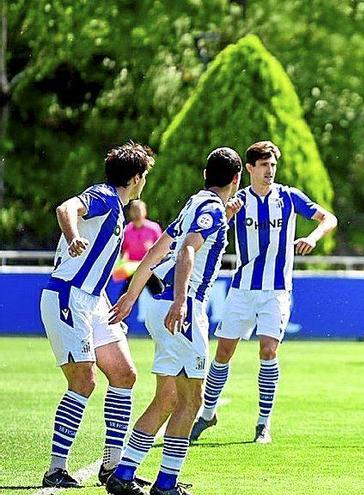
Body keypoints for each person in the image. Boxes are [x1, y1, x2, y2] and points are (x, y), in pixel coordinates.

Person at [104, 147, 243, 495]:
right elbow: (187, 251)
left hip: (156, 302)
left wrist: (132, 295)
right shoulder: (210, 208)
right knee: (191, 401)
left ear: (205, 176)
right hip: (181, 308)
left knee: (167, 398)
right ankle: (166, 485)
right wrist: (181, 302)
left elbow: (157, 250)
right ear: (237, 180)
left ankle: (123, 476)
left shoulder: (197, 203)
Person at [190, 141, 337, 444]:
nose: (270, 171)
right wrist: (227, 217)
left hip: (276, 290)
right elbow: (211, 234)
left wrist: (313, 236)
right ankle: (207, 414)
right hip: (242, 289)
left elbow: (328, 218)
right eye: (264, 165)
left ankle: (263, 423)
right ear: (250, 169)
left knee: (268, 350)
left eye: (273, 165)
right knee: (223, 353)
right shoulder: (238, 201)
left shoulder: (289, 197)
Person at [39, 142, 154, 489]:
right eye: (145, 176)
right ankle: (56, 468)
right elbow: (66, 207)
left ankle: (113, 467)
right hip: (67, 297)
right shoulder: (104, 196)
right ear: (136, 178)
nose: (145, 181)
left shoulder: (117, 210)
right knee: (84, 382)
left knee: (124, 374)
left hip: (93, 300)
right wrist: (72, 236)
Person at [116, 200, 163, 293]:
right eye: (134, 210)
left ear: (144, 211)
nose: (137, 213)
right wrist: (121, 266)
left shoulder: (153, 228)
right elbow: (122, 252)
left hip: (150, 268)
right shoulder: (126, 231)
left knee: (160, 293)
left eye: (139, 210)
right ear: (130, 212)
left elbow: (162, 250)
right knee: (125, 296)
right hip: (134, 269)